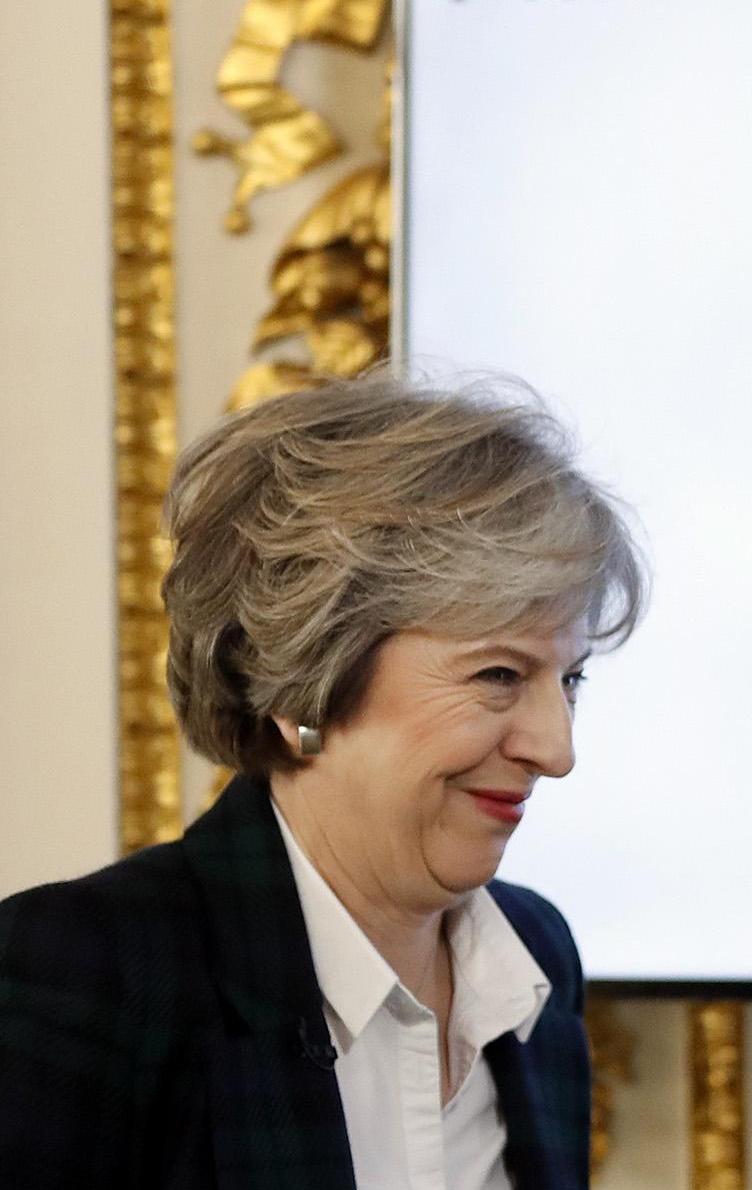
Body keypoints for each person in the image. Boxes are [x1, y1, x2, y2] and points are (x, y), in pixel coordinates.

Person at [0, 372, 645, 1188]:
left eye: (571, 681)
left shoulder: (537, 958)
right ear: (301, 685)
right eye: (497, 676)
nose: (557, 750)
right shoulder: (87, 968)